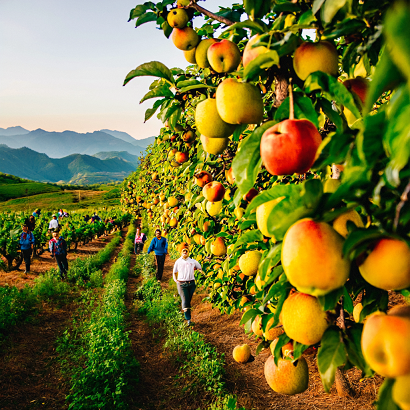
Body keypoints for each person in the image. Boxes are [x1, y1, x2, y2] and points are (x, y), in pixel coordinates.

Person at [173, 248, 202, 326]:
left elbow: (200, 268)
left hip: (191, 284)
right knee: (185, 300)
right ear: (181, 252)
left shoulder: (193, 261)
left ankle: (185, 313)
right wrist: (176, 281)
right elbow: (174, 272)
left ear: (188, 252)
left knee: (188, 300)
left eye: (186, 251)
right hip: (182, 284)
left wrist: (199, 271)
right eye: (183, 251)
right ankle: (188, 319)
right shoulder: (178, 262)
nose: (185, 252)